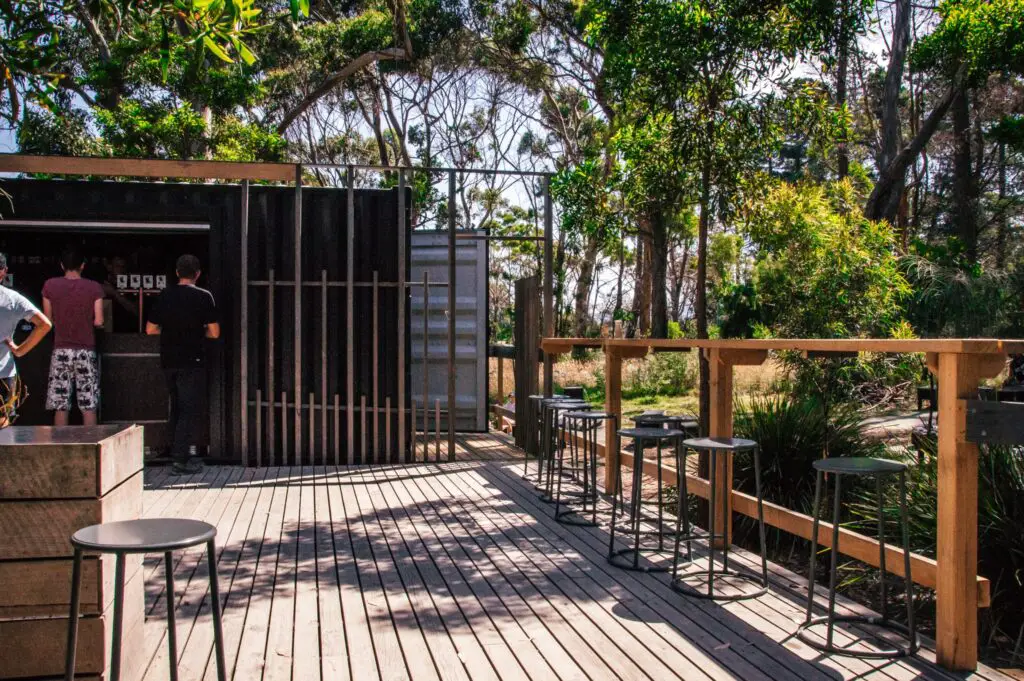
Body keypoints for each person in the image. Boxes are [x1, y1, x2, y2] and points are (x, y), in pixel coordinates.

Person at [146, 254, 220, 474]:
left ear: (177, 273)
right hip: (192, 359)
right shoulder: (204, 296)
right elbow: (215, 332)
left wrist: (168, 331)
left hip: (169, 359)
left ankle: (176, 452)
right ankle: (181, 460)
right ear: (198, 274)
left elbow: (150, 329)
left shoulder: (165, 295)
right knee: (189, 409)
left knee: (176, 407)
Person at [42, 248, 105, 426]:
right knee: (88, 404)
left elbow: (47, 321)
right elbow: (99, 320)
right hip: (86, 349)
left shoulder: (49, 286)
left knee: (61, 405)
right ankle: (91, 447)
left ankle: (61, 448)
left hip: (61, 348)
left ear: (62, 265)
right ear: (83, 266)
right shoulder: (94, 288)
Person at [0, 252, 53, 425]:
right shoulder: (12, 299)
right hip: (3, 373)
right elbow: (44, 324)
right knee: (3, 429)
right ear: (4, 271)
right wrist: (19, 350)